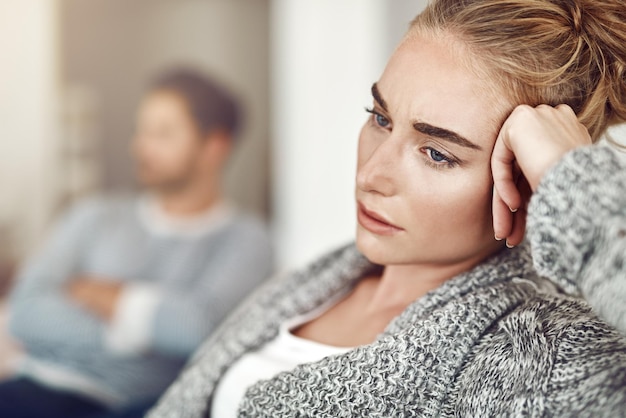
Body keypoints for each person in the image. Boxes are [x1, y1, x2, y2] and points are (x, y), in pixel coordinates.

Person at [149, 0, 626, 417]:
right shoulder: (324, 279)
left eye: (437, 153)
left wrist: (571, 176)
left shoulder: (537, 350)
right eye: (381, 118)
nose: (369, 175)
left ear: (523, 176)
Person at [0, 68, 274, 418]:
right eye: (141, 131)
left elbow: (199, 329)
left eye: (162, 133)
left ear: (214, 146)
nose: (140, 146)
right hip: (34, 387)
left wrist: (102, 295)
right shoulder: (94, 215)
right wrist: (140, 330)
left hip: (135, 405)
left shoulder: (247, 240)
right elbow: (24, 311)